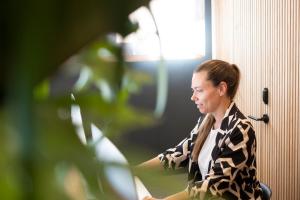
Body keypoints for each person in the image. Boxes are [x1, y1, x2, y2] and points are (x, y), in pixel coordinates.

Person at [139, 60, 263, 200]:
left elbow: (211, 187)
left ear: (221, 89)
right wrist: (135, 170)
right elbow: (177, 154)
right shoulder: (206, 122)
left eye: (199, 90)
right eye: (193, 90)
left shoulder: (241, 130)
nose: (193, 97)